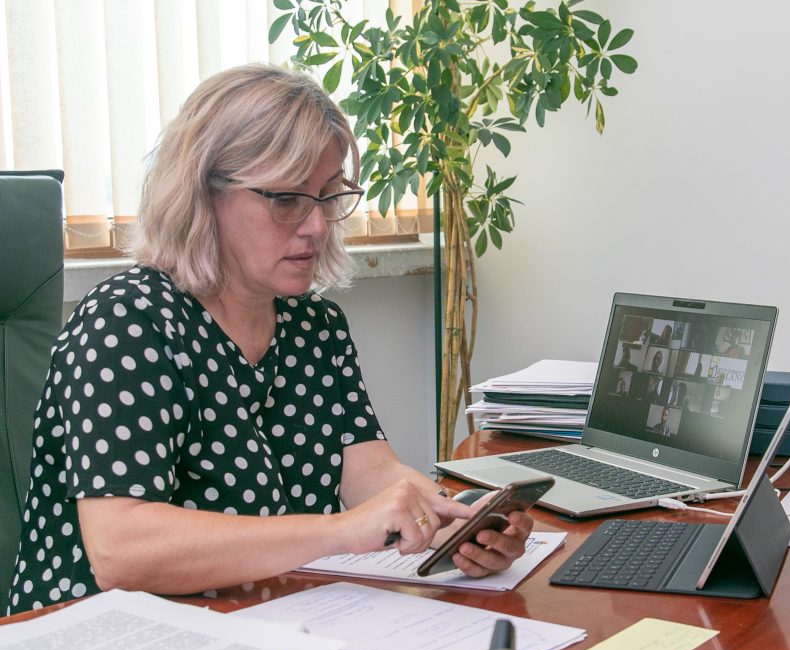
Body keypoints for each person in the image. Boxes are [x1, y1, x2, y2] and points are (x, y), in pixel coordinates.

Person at [6, 64, 533, 615]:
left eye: (328, 196)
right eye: (287, 200)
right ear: (203, 193)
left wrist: (454, 521)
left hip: (271, 624)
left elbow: (370, 473)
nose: (318, 225)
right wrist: (340, 531)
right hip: (108, 640)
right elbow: (121, 549)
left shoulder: (315, 325)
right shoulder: (128, 322)